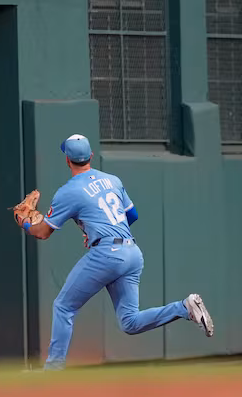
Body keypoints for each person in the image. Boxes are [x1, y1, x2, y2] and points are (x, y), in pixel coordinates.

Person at [17, 134, 214, 371]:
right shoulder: (112, 180)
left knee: (63, 307)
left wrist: (25, 224)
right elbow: (132, 215)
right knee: (129, 322)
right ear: (90, 156)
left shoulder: (68, 192)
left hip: (107, 254)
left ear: (67, 160)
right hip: (132, 253)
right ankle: (184, 307)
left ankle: (53, 371)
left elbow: (42, 233)